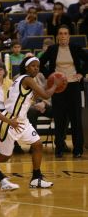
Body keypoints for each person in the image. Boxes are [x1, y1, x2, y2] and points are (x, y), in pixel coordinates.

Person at [0, 56, 63, 188]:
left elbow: (31, 96)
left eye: (38, 66)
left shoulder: (19, 79)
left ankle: (36, 177)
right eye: (33, 66)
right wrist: (54, 85)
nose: (36, 68)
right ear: (26, 67)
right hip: (9, 121)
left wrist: (40, 94)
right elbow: (46, 95)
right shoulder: (27, 79)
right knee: (4, 156)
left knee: (37, 144)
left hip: (22, 121)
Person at [40, 24, 88, 158]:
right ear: (57, 37)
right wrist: (50, 77)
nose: (63, 36)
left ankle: (77, 149)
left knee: (76, 119)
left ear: (69, 36)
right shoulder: (52, 49)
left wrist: (81, 73)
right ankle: (59, 148)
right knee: (59, 119)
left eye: (65, 33)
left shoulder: (76, 48)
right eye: (60, 33)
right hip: (58, 87)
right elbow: (40, 63)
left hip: (73, 86)